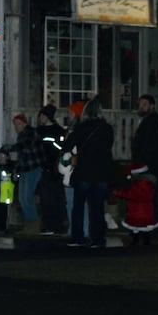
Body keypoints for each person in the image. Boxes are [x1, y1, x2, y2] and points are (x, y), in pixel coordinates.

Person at [63, 98, 114, 248]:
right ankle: (98, 239)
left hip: (84, 171)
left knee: (78, 206)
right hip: (102, 172)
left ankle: (78, 237)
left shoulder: (81, 128)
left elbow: (67, 146)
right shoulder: (107, 128)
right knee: (97, 207)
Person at [131, 94, 158, 237]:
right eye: (140, 104)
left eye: (145, 104)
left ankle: (151, 231)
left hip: (148, 169)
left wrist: (141, 166)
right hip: (149, 168)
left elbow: (148, 148)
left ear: (152, 106)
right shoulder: (150, 122)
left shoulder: (151, 123)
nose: (141, 107)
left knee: (148, 201)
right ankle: (150, 230)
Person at [11, 114, 47, 234]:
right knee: (22, 198)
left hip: (34, 168)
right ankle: (28, 225)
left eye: (19, 124)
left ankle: (34, 225)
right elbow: (22, 156)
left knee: (27, 197)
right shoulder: (21, 136)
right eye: (15, 124)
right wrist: (16, 170)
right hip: (25, 168)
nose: (17, 127)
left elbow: (24, 147)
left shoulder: (31, 133)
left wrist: (10, 148)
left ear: (25, 123)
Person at [58, 100, 88, 238]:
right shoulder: (70, 130)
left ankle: (84, 230)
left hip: (75, 170)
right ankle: (73, 229)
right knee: (70, 202)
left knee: (80, 202)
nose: (68, 115)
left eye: (70, 113)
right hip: (68, 170)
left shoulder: (79, 130)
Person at [36, 104, 66, 235]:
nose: (40, 118)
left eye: (43, 115)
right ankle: (47, 225)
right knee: (44, 198)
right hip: (43, 168)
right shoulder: (39, 131)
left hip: (55, 169)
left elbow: (61, 148)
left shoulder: (58, 131)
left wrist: (50, 142)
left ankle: (57, 226)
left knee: (55, 198)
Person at [114, 163, 158, 246]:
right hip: (147, 211)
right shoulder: (149, 184)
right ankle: (146, 243)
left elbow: (131, 195)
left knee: (136, 229)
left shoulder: (137, 185)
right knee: (145, 230)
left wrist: (118, 193)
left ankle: (135, 243)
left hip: (136, 212)